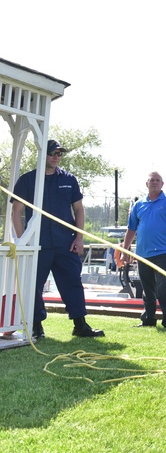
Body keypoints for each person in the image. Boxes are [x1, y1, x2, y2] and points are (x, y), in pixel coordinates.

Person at [10, 139, 104, 340]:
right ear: (43, 155)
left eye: (59, 153)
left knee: (72, 282)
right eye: (53, 153)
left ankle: (80, 325)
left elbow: (78, 209)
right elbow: (16, 212)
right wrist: (22, 241)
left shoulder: (69, 180)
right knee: (33, 285)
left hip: (65, 243)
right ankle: (36, 327)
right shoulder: (27, 180)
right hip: (38, 244)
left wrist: (79, 238)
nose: (56, 157)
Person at [122, 171, 166, 330]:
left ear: (162, 184)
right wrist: (126, 250)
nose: (154, 182)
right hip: (143, 254)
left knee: (165, 287)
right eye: (151, 180)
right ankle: (148, 319)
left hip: (162, 252)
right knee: (147, 288)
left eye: (157, 180)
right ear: (146, 184)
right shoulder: (139, 205)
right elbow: (131, 229)